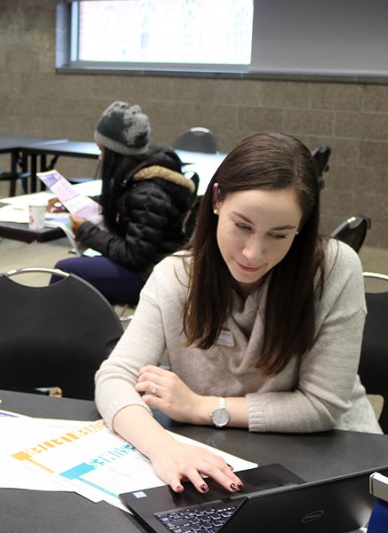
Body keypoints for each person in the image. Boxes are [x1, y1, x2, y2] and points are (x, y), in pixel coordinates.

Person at [95, 132, 381, 498]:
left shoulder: (334, 269)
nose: (253, 253)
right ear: (216, 200)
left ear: (302, 226)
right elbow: (115, 376)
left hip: (336, 460)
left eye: (279, 235)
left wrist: (202, 408)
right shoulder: (176, 276)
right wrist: (162, 448)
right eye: (242, 226)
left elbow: (321, 406)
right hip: (224, 459)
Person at [52, 101, 197, 305]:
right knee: (76, 270)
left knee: (65, 272)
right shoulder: (141, 174)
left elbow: (134, 255)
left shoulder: (149, 193)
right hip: (149, 266)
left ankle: (59, 333)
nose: (101, 158)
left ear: (116, 151)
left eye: (102, 151)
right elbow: (130, 209)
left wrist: (85, 231)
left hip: (151, 275)